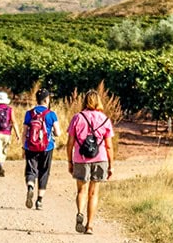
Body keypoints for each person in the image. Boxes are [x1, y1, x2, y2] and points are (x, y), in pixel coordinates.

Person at [65, 89, 115, 235]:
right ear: (99, 101)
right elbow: (109, 146)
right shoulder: (105, 119)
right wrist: (111, 165)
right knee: (93, 193)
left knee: (82, 190)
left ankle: (80, 212)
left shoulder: (77, 118)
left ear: (85, 101)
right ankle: (90, 226)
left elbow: (70, 142)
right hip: (100, 158)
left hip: (81, 159)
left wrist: (70, 161)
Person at [22, 88, 60, 210]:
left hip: (30, 146)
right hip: (47, 147)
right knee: (44, 171)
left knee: (31, 170)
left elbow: (24, 133)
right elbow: (58, 133)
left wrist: (24, 147)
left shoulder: (29, 113)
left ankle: (30, 187)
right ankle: (39, 201)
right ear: (47, 99)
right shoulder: (51, 114)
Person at [0, 91, 19, 177]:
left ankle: (0, 166)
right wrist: (17, 134)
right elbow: (14, 122)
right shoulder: (10, 109)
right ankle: (0, 166)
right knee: (4, 151)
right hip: (7, 133)